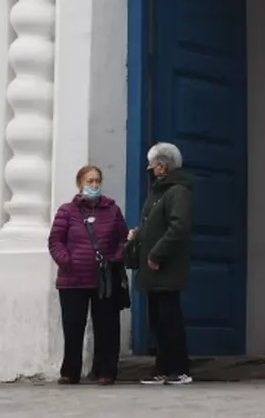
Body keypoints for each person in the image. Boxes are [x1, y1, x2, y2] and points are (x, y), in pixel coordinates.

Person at [48, 164, 128, 385]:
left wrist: (115, 257)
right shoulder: (67, 211)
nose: (94, 185)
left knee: (106, 326)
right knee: (73, 326)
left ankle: (105, 371)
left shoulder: (112, 210)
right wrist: (67, 261)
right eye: (89, 181)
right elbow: (55, 241)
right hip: (72, 279)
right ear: (79, 184)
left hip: (104, 279)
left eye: (97, 181)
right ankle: (70, 371)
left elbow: (123, 238)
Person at [128, 142, 194, 386]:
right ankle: (163, 368)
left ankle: (179, 369)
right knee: (157, 320)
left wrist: (157, 254)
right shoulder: (159, 192)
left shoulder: (177, 191)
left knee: (169, 319)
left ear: (163, 166)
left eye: (154, 165)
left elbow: (179, 227)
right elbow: (156, 224)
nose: (150, 169)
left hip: (164, 267)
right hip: (153, 269)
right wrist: (140, 234)